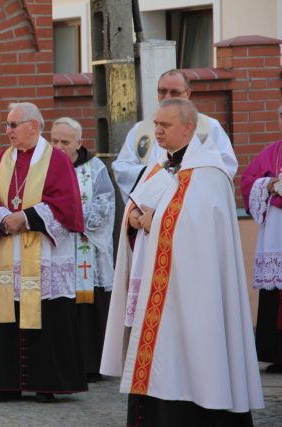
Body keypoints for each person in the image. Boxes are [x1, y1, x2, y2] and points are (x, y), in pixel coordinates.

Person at [101, 98, 264, 425]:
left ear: (188, 127)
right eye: (156, 124)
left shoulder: (210, 173)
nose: (157, 132)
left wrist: (153, 221)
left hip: (194, 294)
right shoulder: (158, 165)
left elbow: (196, 228)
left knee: (193, 362)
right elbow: (138, 207)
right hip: (156, 289)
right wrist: (134, 218)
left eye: (165, 126)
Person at [0, 102, 87, 403]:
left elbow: (67, 204)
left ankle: (47, 383)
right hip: (9, 248)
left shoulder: (57, 162)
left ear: (33, 126)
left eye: (13, 125)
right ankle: (7, 382)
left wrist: (26, 217)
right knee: (7, 312)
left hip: (44, 252)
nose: (8, 131)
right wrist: (2, 217)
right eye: (7, 125)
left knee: (48, 315)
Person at [50, 117, 115, 382]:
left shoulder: (95, 167)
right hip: (56, 248)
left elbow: (105, 204)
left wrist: (71, 215)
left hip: (87, 249)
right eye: (54, 140)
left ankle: (91, 364)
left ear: (79, 141)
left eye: (65, 141)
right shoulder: (44, 167)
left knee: (90, 308)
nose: (59, 146)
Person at [112, 69, 238, 202]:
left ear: (188, 94)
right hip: (151, 211)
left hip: (194, 205)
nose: (167, 97)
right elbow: (122, 168)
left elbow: (226, 166)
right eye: (162, 91)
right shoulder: (141, 131)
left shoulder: (209, 127)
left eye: (174, 92)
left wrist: (187, 178)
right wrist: (156, 175)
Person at [239, 104, 282, 374]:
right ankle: (277, 353)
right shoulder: (272, 152)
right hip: (276, 236)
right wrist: (267, 184)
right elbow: (247, 180)